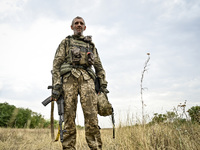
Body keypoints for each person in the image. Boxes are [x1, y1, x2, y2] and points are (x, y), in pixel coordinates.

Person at [52, 16, 108, 150]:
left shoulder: (91, 45)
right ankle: (69, 147)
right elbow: (56, 64)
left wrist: (103, 84)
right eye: (76, 23)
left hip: (87, 80)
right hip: (69, 80)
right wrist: (56, 86)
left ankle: (96, 147)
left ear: (84, 27)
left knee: (92, 117)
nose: (78, 25)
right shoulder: (65, 42)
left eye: (81, 23)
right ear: (71, 27)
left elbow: (99, 66)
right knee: (69, 118)